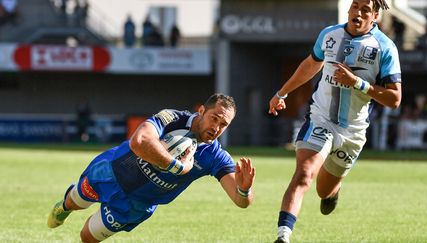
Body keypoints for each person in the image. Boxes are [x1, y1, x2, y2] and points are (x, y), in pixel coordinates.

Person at [268, 1, 401, 242]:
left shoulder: (384, 47)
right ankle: (283, 235)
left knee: (323, 190)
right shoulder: (329, 35)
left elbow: (394, 98)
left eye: (365, 9)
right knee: (304, 174)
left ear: (375, 15)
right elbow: (311, 64)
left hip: (353, 131)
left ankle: (333, 192)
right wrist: (282, 93)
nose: (358, 13)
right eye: (355, 6)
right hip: (320, 118)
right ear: (348, 9)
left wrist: (357, 83)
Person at [47, 93, 256, 242]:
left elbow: (240, 200)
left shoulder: (215, 156)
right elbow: (139, 142)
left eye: (224, 124)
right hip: (112, 172)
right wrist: (177, 166)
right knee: (75, 202)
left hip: (136, 204)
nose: (216, 128)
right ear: (201, 111)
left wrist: (244, 189)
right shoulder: (173, 118)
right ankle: (63, 207)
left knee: (87, 237)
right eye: (214, 118)